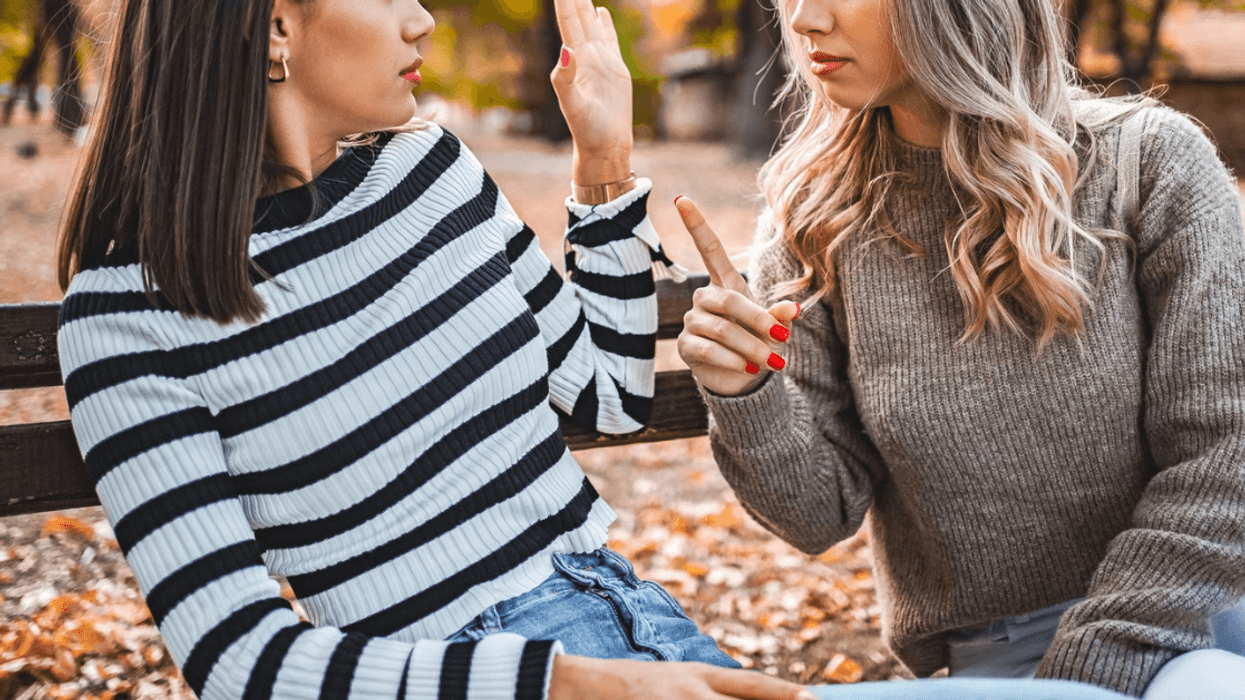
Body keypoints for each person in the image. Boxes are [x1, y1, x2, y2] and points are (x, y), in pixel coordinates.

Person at [52, 1, 816, 700]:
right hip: (464, 676)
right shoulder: (125, 320)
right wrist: (569, 682)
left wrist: (603, 158)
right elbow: (240, 661)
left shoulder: (432, 173)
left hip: (639, 625)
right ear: (276, 29)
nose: (420, 21)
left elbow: (607, 399)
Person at [674, 0, 1245, 698]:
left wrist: (1094, 665)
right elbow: (814, 514)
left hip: (1206, 612)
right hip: (1007, 658)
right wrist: (745, 392)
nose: (803, 21)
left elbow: (1226, 455)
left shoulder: (1145, 163)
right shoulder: (814, 220)